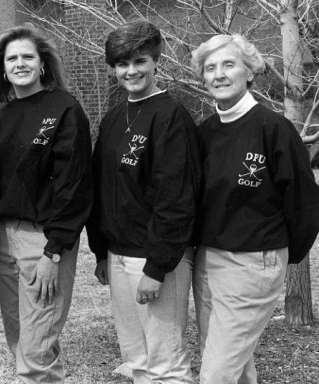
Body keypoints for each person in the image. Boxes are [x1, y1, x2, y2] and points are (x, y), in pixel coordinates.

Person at [190, 34, 319, 384]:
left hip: (253, 262)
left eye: (229, 65)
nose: (219, 74)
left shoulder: (275, 129)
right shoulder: (203, 133)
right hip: (207, 261)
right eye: (210, 68)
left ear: (249, 71)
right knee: (234, 363)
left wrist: (278, 253)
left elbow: (305, 203)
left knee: (216, 373)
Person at [85, 20, 200, 383]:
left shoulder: (171, 116)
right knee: (136, 359)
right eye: (122, 64)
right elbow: (102, 188)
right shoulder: (114, 118)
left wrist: (157, 266)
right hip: (119, 256)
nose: (130, 71)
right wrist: (102, 252)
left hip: (157, 259)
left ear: (156, 62)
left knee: (166, 363)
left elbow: (177, 197)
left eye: (139, 61)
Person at [0, 24, 93, 384]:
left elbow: (73, 185)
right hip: (4, 240)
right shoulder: (1, 119)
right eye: (11, 58)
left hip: (44, 241)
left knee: (35, 352)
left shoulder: (65, 109)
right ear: (2, 69)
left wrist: (54, 251)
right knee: (22, 346)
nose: (19, 63)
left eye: (27, 56)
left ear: (43, 63)